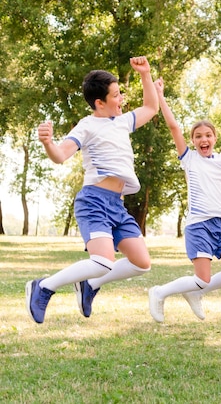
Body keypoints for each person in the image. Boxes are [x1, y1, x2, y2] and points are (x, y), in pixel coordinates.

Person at [26, 56, 159, 324]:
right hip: (94, 201)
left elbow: (151, 107)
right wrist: (47, 143)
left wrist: (145, 74)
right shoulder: (87, 125)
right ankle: (43, 287)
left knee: (141, 263)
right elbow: (61, 155)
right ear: (99, 103)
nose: (121, 98)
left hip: (116, 204)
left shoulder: (122, 122)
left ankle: (90, 284)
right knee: (103, 260)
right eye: (116, 95)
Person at [148, 78, 221, 323]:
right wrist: (160, 95)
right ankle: (160, 292)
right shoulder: (189, 159)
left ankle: (195, 293)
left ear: (215, 138)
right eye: (198, 136)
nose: (204, 139)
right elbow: (173, 127)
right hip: (199, 224)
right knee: (202, 277)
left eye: (208, 135)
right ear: (193, 141)